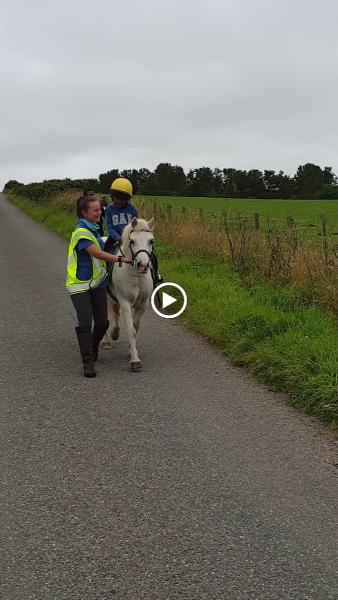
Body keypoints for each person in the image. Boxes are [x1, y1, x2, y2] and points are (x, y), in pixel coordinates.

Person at [66, 193, 132, 378]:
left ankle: (93, 348)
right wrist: (120, 259)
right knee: (86, 323)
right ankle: (88, 362)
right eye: (95, 210)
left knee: (103, 323)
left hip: (96, 284)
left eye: (100, 210)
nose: (99, 213)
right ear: (84, 213)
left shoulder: (94, 230)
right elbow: (97, 253)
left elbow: (102, 245)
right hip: (79, 286)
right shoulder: (81, 233)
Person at [105, 177, 163, 285]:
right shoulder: (109, 210)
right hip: (115, 238)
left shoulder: (131, 209)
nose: (119, 201)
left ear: (127, 199)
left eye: (122, 199)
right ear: (112, 197)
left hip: (132, 238)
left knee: (151, 253)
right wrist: (118, 238)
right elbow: (109, 227)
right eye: (117, 198)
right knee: (106, 251)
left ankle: (155, 273)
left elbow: (137, 226)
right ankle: (105, 275)